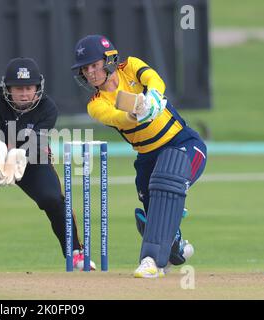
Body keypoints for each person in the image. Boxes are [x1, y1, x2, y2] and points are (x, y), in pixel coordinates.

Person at [0, 57, 95, 273]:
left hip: (30, 157)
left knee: (53, 198)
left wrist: (19, 154)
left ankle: (76, 252)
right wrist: (0, 149)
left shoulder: (48, 107)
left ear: (37, 87)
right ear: (7, 88)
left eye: (29, 88)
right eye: (18, 88)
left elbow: (38, 140)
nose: (24, 93)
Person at [71, 35, 207, 278]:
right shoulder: (96, 103)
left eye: (94, 65)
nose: (90, 72)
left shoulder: (130, 66)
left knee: (168, 178)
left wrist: (153, 97)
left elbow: (154, 79)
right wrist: (137, 113)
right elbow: (116, 117)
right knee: (155, 199)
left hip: (184, 143)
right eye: (85, 68)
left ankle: (151, 261)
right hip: (146, 158)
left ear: (109, 60)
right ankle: (174, 247)